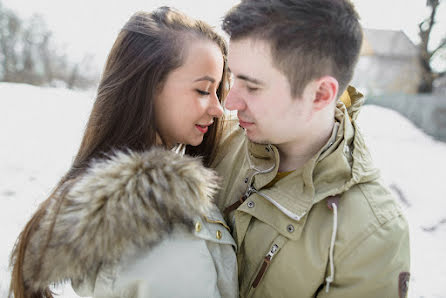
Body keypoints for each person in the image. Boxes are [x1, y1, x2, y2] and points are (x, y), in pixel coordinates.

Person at [9, 7, 238, 298]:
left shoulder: (100, 202)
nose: (219, 109)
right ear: (148, 86)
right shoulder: (165, 230)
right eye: (204, 91)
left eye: (218, 92)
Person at [211, 0, 411, 297]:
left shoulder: (372, 234)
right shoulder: (219, 140)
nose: (230, 103)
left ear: (320, 94)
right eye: (232, 78)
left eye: (252, 87)